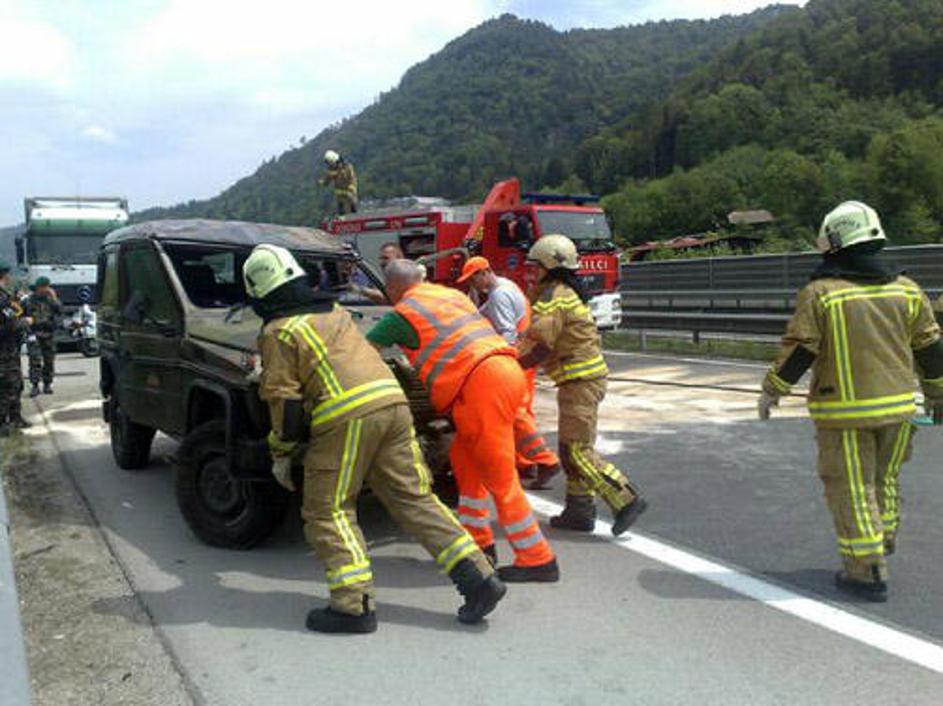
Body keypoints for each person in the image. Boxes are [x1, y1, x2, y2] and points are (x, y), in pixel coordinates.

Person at [245, 244, 504, 634]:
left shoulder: (278, 331)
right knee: (414, 498)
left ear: (259, 292)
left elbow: (285, 402)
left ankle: (353, 607)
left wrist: (281, 451)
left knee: (329, 511)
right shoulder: (334, 311)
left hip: (345, 416)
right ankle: (479, 578)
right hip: (392, 404)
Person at [759, 201, 943, 602]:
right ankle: (882, 537)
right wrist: (937, 395)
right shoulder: (907, 290)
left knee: (851, 489)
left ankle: (866, 570)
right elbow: (930, 347)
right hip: (900, 410)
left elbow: (801, 349)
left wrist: (773, 388)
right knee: (884, 481)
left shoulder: (821, 294)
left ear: (834, 242)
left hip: (843, 413)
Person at [368, 259, 559, 582]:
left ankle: (537, 559)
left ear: (392, 288)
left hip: (480, 385)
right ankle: (479, 543)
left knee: (500, 476)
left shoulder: (401, 315)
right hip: (504, 371)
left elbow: (363, 352)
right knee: (465, 463)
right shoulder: (450, 295)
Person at [518, 235, 647, 536]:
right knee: (570, 449)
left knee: (577, 451)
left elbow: (540, 344)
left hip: (580, 381)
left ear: (549, 266)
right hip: (581, 380)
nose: (531, 272)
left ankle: (626, 498)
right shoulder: (564, 292)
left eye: (535, 266)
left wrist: (508, 363)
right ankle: (579, 510)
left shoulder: (554, 296)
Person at [456, 256, 561, 489]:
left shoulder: (499, 295)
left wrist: (501, 362)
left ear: (484, 272)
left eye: (473, 280)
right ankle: (525, 462)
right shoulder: (505, 286)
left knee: (515, 412)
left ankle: (544, 460)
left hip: (517, 360)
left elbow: (507, 333)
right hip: (525, 358)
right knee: (521, 410)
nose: (473, 285)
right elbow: (483, 313)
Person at [0, 261, 32, 436]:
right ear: (4, 276)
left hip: (9, 349)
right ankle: (3, 423)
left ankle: (15, 418)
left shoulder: (6, 297)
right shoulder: (1, 299)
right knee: (7, 385)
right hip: (4, 351)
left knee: (16, 383)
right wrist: (25, 322)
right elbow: (11, 324)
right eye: (7, 275)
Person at [23, 276, 61, 396]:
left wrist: (54, 297)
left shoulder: (51, 300)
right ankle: (35, 385)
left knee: (49, 360)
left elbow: (60, 310)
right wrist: (27, 330)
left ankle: (47, 384)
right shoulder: (28, 301)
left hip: (49, 334)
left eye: (47, 287)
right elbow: (21, 316)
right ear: (38, 288)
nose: (45, 289)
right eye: (43, 287)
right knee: (34, 360)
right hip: (34, 334)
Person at [319, 149, 358, 215]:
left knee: (352, 208)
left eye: (330, 163)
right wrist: (322, 183)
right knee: (341, 209)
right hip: (340, 196)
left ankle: (354, 214)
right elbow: (328, 179)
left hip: (350, 193)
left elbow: (352, 178)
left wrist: (351, 188)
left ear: (334, 161)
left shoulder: (347, 167)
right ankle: (342, 217)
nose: (329, 165)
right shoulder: (331, 170)